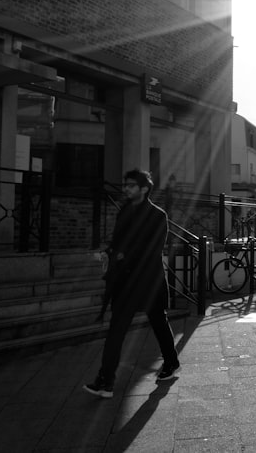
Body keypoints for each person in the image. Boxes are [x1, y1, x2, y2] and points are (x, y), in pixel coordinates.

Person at [84, 169, 180, 399]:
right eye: (125, 185)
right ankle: (105, 380)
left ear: (144, 189)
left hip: (148, 281)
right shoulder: (125, 211)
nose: (126, 189)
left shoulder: (158, 215)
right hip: (125, 282)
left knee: (158, 322)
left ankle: (171, 361)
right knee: (116, 329)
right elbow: (118, 241)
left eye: (130, 185)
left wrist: (123, 255)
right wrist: (108, 252)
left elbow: (154, 249)